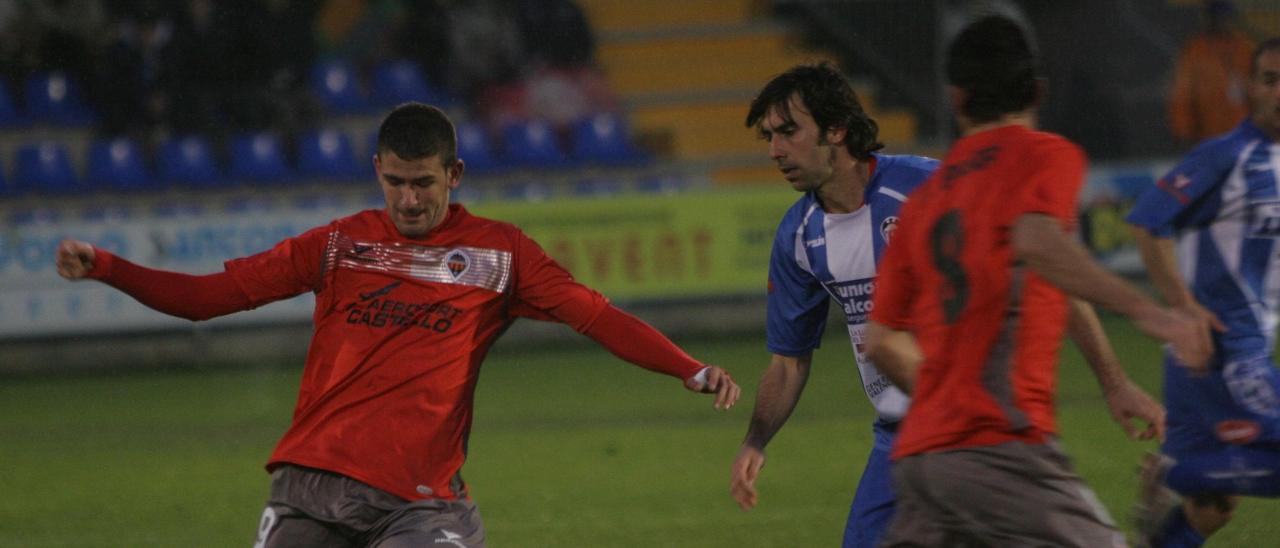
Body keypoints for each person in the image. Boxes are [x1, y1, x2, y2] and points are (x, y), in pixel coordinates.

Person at [54, 102, 741, 548]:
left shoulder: (501, 255)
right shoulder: (335, 245)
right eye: (395, 184)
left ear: (456, 175)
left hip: (421, 504)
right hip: (311, 486)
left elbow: (596, 316)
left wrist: (690, 368)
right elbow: (210, 297)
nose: (409, 200)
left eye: (424, 184)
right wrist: (110, 266)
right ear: (376, 172)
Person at [863, 16, 1214, 546]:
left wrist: (1114, 383)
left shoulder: (926, 203)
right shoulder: (1042, 155)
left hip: (921, 461)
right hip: (1002, 448)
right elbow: (1037, 243)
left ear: (956, 99)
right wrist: (1149, 311)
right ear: (1037, 91)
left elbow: (881, 338)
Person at [726, 62, 938, 548]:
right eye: (768, 138)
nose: (776, 151)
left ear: (837, 129)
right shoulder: (798, 236)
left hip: (969, 423)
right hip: (898, 438)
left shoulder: (926, 190)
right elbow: (787, 361)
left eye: (788, 131)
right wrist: (755, 440)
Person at [1127, 37, 1280, 548]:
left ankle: (1180, 477)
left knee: (1213, 510)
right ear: (1251, 88)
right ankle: (1175, 473)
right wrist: (1184, 309)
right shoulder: (1225, 157)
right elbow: (1149, 223)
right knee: (1206, 491)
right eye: (1269, 80)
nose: (1279, 92)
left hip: (1218, 355)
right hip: (1224, 351)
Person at [1169, 0, 1255, 146]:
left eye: (1226, 17)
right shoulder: (1196, 50)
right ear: (1209, 18)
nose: (1223, 22)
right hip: (1208, 135)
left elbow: (1257, 89)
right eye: (1219, 17)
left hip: (1242, 134)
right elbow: (1182, 95)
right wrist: (1182, 130)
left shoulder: (1243, 48)